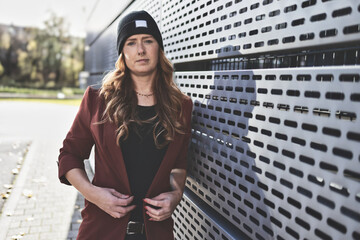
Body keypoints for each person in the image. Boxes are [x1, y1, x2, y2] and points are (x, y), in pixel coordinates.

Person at [58, 10, 193, 240]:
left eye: (148, 41)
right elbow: (68, 156)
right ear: (123, 52)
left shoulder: (181, 106)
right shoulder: (97, 100)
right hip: (102, 231)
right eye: (132, 42)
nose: (140, 50)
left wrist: (176, 195)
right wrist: (93, 194)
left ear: (158, 48)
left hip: (155, 233)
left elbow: (179, 164)